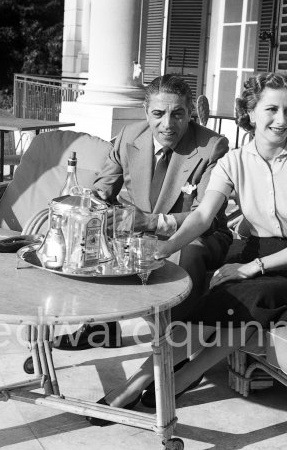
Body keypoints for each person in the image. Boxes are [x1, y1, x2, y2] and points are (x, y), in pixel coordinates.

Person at [98, 72, 287, 414]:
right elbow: (202, 217)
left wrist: (253, 267)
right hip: (249, 251)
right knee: (215, 307)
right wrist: (165, 248)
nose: (281, 121)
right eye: (271, 110)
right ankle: (156, 382)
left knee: (247, 298)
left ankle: (148, 384)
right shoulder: (233, 161)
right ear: (250, 112)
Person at [55, 74, 232, 351]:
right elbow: (105, 184)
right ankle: (99, 327)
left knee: (191, 249)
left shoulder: (213, 147)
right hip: (136, 228)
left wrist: (151, 222)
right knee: (94, 233)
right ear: (146, 112)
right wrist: (99, 199)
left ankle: (178, 346)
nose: (167, 124)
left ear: (190, 114)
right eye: (159, 114)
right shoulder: (129, 135)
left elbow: (204, 215)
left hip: (196, 233)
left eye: (178, 114)